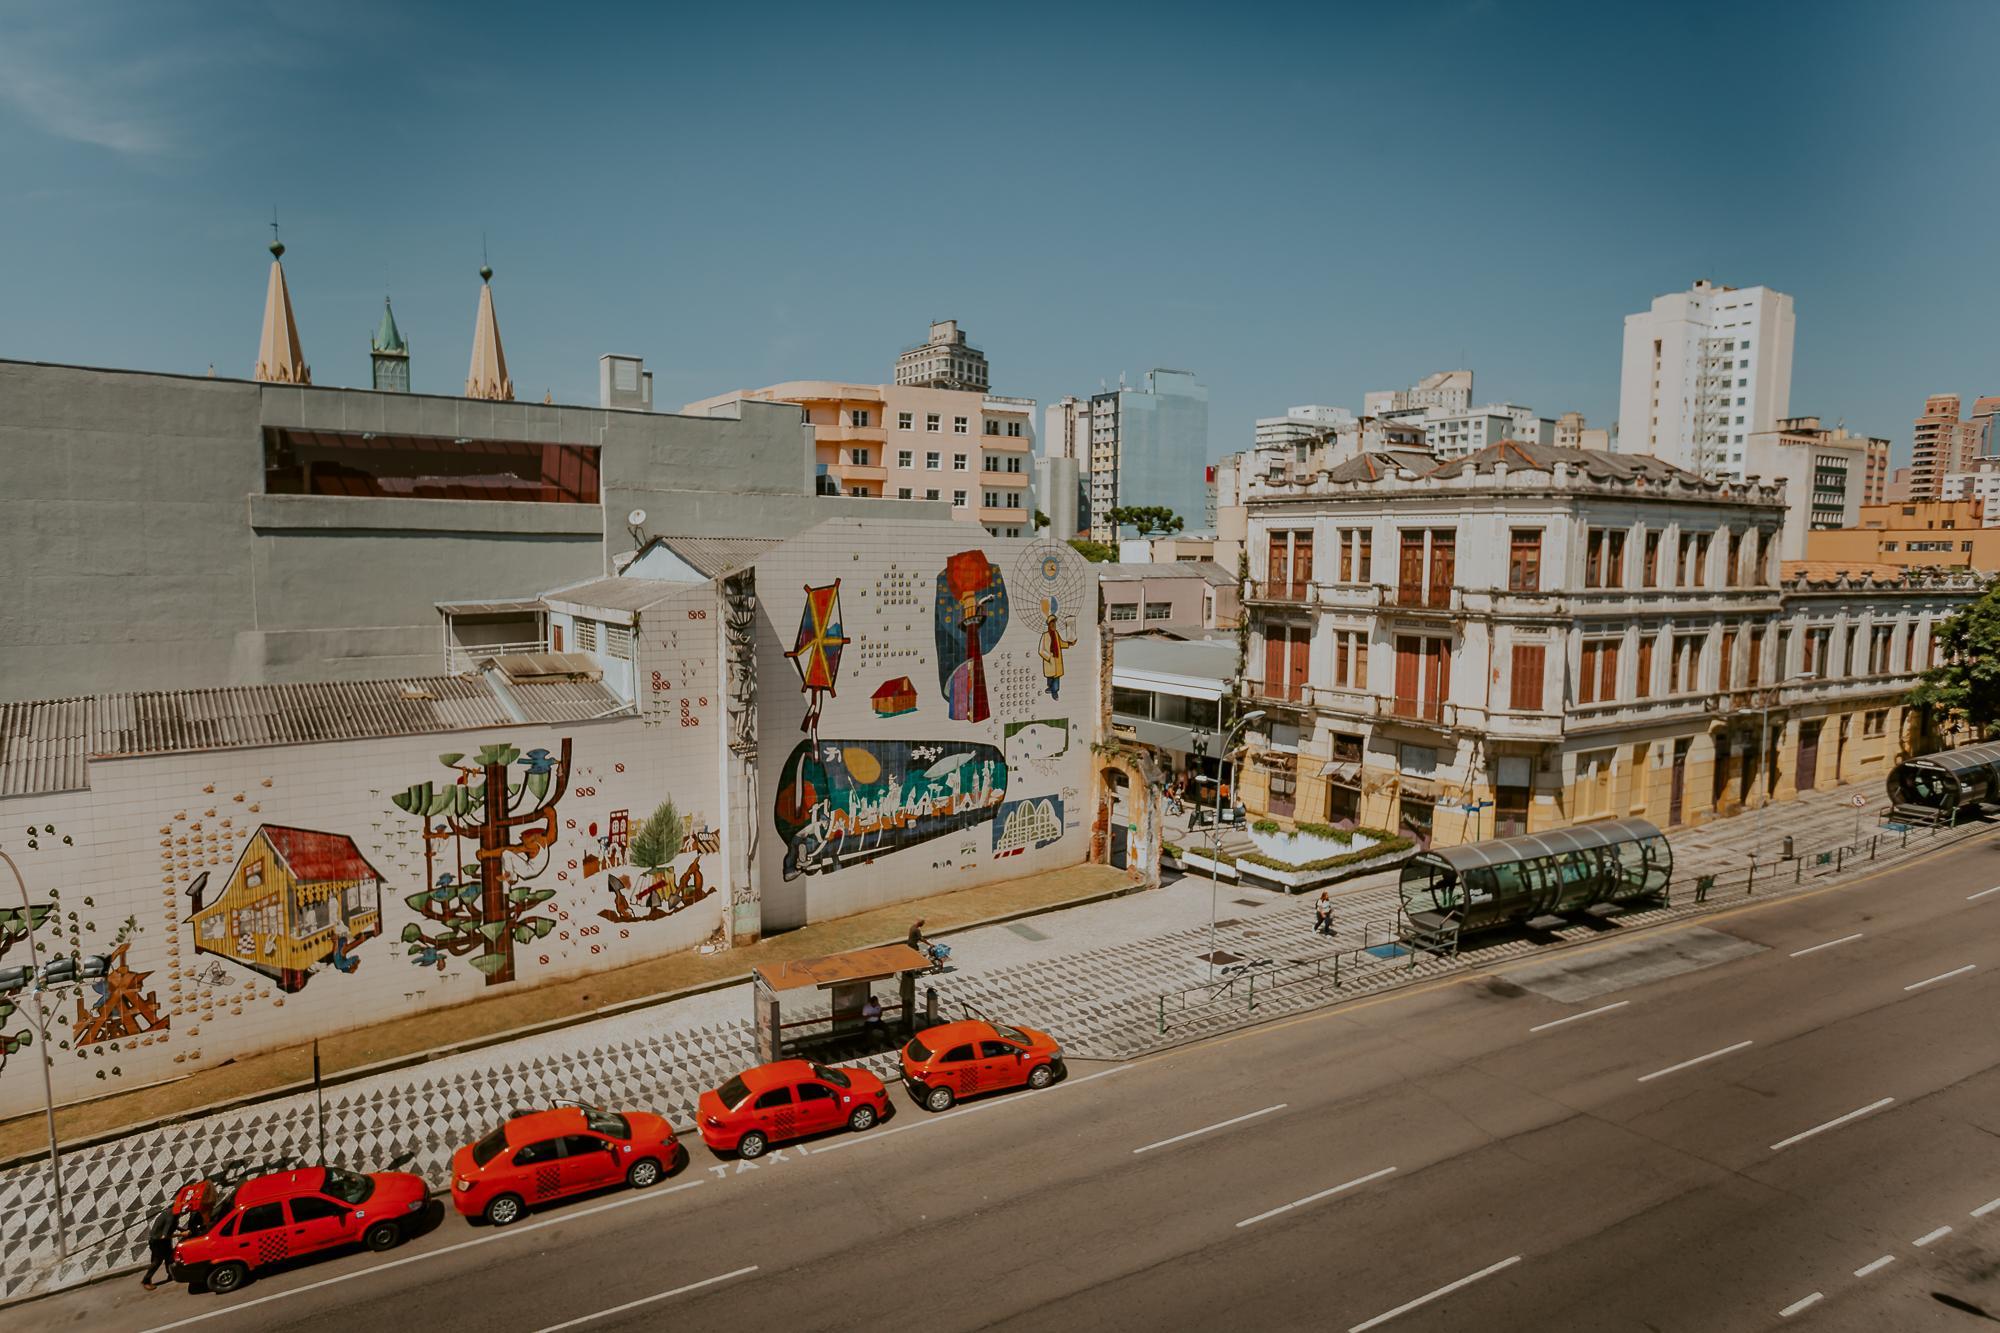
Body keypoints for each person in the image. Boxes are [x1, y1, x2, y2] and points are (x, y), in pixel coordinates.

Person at [141, 1203, 194, 1290]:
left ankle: (171, 1274)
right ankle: (146, 1281)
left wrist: (182, 1230)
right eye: (186, 1212)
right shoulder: (171, 1217)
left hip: (164, 1241)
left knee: (169, 1257)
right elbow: (164, 1236)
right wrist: (181, 1234)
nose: (186, 1214)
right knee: (157, 1262)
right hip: (157, 1241)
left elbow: (173, 1226)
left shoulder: (172, 1212)